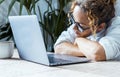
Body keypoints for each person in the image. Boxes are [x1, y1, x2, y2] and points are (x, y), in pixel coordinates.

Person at [54, 0, 120, 61]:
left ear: (100, 27)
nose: (74, 28)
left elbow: (97, 53)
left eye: (81, 25)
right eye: (73, 20)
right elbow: (59, 47)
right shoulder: (78, 23)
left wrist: (79, 39)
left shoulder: (116, 26)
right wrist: (87, 51)